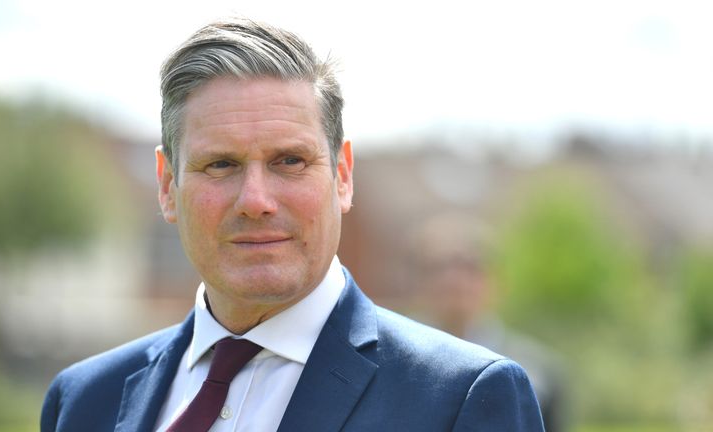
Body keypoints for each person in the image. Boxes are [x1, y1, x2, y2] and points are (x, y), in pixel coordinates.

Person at [40, 18, 545, 432]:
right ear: (167, 185)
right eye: (220, 165)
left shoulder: (460, 399)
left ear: (343, 177)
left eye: (289, 161)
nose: (255, 200)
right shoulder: (84, 402)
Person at [408, 212, 568, 431]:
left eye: (470, 267)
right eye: (439, 268)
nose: (455, 281)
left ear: (496, 280)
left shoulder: (538, 375)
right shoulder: (387, 367)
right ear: (416, 282)